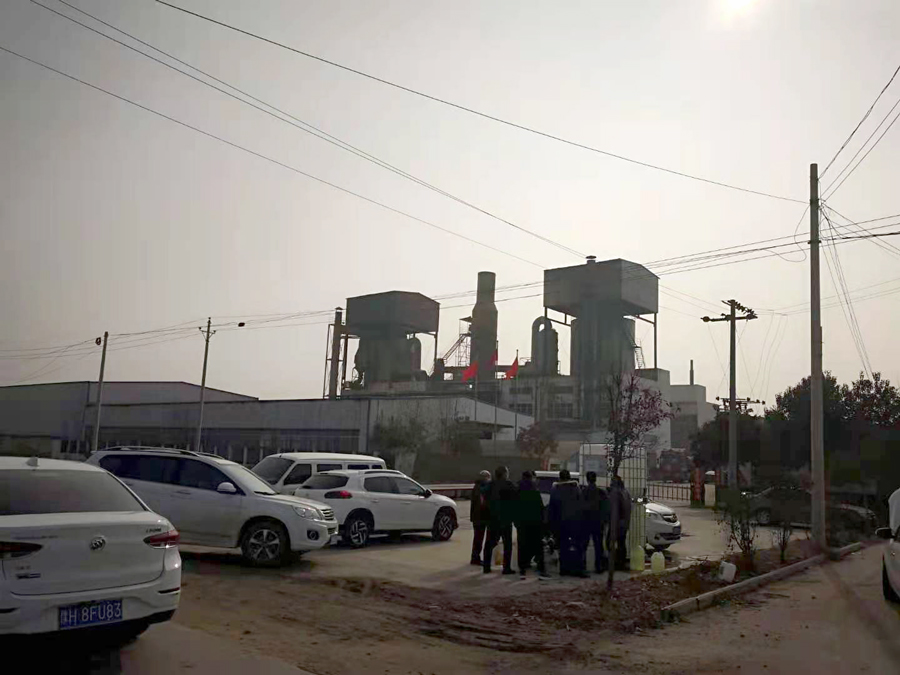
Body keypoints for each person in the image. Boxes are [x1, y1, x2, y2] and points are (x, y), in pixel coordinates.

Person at [548, 469, 588, 577]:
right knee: (577, 546)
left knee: (563, 547)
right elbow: (581, 506)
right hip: (575, 522)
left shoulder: (555, 489)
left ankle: (564, 569)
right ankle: (578, 568)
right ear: (569, 477)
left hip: (561, 523)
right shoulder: (575, 488)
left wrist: (552, 525)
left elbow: (552, 508)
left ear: (560, 478)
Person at [482, 466, 517, 575]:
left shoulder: (490, 485)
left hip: (493, 519)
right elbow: (516, 499)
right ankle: (506, 568)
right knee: (507, 545)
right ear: (504, 474)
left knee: (489, 543)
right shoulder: (509, 485)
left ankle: (486, 567)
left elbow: (484, 496)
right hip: (505, 519)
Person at [515, 471, 548, 579]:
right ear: (530, 478)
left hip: (522, 522)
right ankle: (541, 569)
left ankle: (522, 569)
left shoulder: (518, 490)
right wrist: (542, 522)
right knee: (538, 545)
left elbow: (514, 507)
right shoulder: (535, 490)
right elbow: (540, 507)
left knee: (522, 545)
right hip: (535, 522)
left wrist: (516, 522)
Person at [581, 471, 610, 573]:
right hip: (598, 523)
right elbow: (606, 508)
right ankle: (599, 566)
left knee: (584, 545)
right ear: (595, 479)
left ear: (587, 480)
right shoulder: (601, 492)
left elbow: (580, 507)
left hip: (586, 522)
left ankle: (583, 566)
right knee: (598, 545)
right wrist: (604, 520)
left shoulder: (583, 492)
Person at [607, 475, 633, 571]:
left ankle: (615, 563)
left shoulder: (617, 494)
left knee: (609, 542)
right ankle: (621, 563)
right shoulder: (625, 492)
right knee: (621, 543)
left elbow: (613, 509)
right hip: (624, 523)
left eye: (612, 483)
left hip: (617, 523)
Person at [469, 470, 492, 565]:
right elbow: (481, 504)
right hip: (481, 518)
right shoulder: (481, 489)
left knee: (477, 539)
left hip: (476, 517)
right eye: (488, 478)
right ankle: (475, 558)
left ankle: (475, 557)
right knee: (479, 539)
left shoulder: (476, 487)